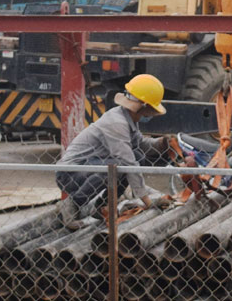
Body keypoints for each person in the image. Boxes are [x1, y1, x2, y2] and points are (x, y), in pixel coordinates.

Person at [56, 74, 170, 227]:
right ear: (142, 105)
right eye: (150, 109)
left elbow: (140, 144)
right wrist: (147, 201)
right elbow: (128, 164)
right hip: (70, 173)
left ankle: (102, 206)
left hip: (91, 166)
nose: (150, 114)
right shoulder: (117, 123)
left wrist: (163, 143)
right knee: (116, 167)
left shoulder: (128, 118)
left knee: (136, 156)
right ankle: (72, 203)